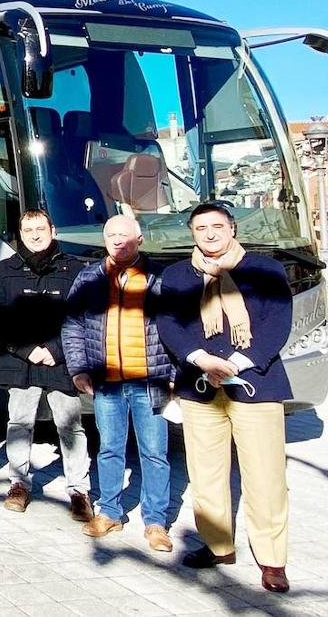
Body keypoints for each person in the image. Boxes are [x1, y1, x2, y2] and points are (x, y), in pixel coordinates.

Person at [158, 203, 294, 593]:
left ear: (233, 228)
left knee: (265, 476)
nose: (210, 233)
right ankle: (218, 546)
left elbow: (276, 323)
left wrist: (234, 362)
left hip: (256, 384)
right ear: (192, 233)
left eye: (217, 226)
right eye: (201, 227)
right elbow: (170, 323)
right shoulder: (178, 275)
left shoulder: (265, 270)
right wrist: (201, 359)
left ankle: (271, 560)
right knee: (206, 473)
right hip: (200, 385)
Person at [63, 214, 174, 552]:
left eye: (124, 235)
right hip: (106, 382)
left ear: (140, 239)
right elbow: (72, 325)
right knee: (109, 448)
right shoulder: (89, 277)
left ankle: (156, 521)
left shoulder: (160, 279)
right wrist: (79, 367)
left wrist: (173, 377)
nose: (117, 241)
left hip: (150, 381)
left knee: (154, 452)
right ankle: (110, 511)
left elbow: (177, 329)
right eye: (111, 235)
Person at [0, 209, 91, 520]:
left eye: (40, 228)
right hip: (21, 360)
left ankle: (78, 490)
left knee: (71, 425)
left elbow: (82, 315)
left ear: (53, 230)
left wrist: (55, 350)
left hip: (60, 361)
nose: (35, 234)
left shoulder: (73, 268)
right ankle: (19, 483)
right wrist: (27, 349)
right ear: (20, 235)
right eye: (28, 229)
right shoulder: (6, 270)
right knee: (19, 423)